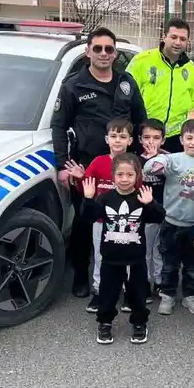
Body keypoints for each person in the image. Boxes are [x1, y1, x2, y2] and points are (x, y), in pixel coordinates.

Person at [51, 27, 147, 298]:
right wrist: (62, 166)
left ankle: (121, 276)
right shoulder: (74, 86)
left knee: (123, 220)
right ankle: (81, 275)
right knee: (85, 222)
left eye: (109, 49)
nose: (103, 53)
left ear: (115, 54)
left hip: (123, 167)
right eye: (98, 48)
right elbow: (59, 126)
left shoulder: (126, 82)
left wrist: (143, 157)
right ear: (88, 52)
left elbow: (140, 120)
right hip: (89, 166)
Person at [79, 155, 164, 345]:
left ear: (137, 175)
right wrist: (88, 199)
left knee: (137, 295)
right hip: (111, 259)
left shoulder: (141, 196)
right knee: (107, 294)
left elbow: (159, 217)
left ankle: (139, 322)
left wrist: (150, 203)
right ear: (113, 176)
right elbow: (88, 218)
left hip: (136, 259)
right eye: (120, 174)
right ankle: (105, 323)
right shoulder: (105, 198)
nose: (124, 179)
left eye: (129, 174)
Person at [62, 118, 136, 312]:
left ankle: (128, 291)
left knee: (128, 257)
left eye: (122, 136)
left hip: (127, 222)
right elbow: (86, 190)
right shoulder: (98, 162)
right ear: (106, 139)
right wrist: (80, 179)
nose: (117, 140)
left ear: (130, 140)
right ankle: (99, 290)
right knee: (101, 256)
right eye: (114, 136)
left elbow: (138, 189)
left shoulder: (133, 163)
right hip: (101, 221)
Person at [142, 119, 194, 316]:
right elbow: (150, 167)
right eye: (189, 138)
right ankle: (167, 295)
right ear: (181, 140)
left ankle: (190, 295)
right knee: (169, 263)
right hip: (171, 222)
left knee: (193, 265)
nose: (193, 142)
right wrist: (156, 162)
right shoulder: (172, 159)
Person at [127, 18, 194, 153]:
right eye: (173, 37)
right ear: (164, 36)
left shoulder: (192, 69)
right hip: (146, 134)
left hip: (176, 138)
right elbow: (126, 96)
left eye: (183, 39)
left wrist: (193, 131)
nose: (178, 42)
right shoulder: (141, 61)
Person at [139, 118, 168, 295]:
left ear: (163, 140)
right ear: (140, 139)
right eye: (147, 137)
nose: (151, 142)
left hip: (162, 211)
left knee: (159, 250)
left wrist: (156, 160)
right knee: (144, 250)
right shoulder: (135, 160)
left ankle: (159, 281)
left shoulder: (167, 160)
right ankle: (144, 282)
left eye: (156, 138)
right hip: (142, 213)